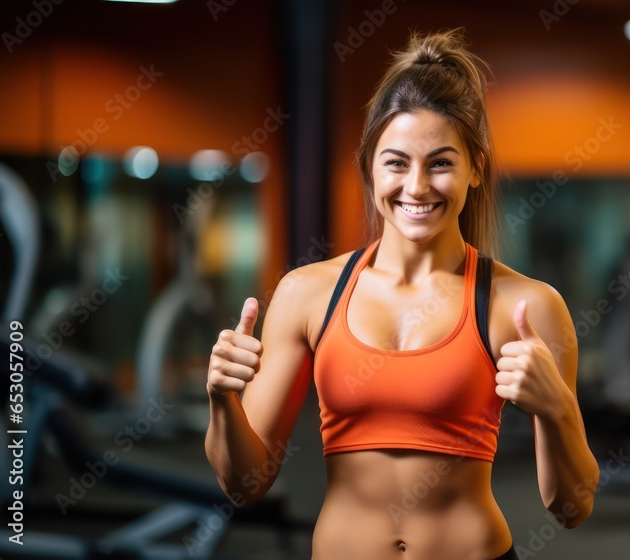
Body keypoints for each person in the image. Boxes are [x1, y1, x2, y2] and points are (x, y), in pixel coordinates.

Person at [205, 28, 599, 559]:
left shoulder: (525, 307)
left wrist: (558, 411)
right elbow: (244, 485)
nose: (416, 187)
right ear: (369, 169)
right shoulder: (306, 295)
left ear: (476, 168)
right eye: (396, 162)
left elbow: (570, 509)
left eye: (440, 162)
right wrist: (222, 400)